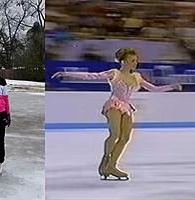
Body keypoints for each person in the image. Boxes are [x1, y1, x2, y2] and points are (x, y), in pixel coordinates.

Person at [52, 48, 182, 180]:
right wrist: (67, 73)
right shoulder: (114, 73)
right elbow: (93, 76)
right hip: (114, 104)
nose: (135, 63)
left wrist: (172, 87)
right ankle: (106, 161)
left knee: (125, 138)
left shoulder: (137, 77)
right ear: (123, 61)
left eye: (136, 60)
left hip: (127, 107)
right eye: (132, 60)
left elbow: (154, 89)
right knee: (115, 133)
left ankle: (112, 166)